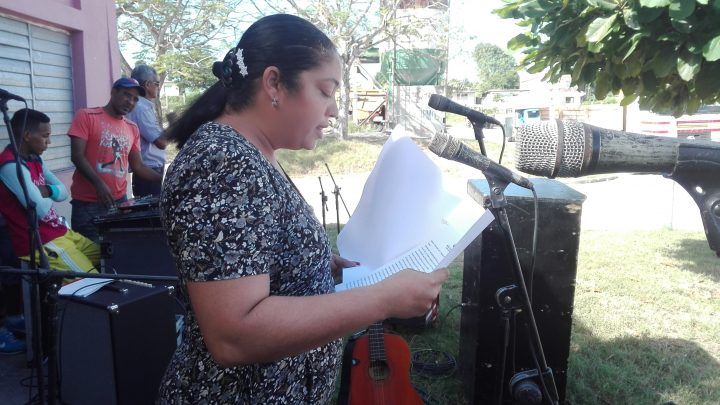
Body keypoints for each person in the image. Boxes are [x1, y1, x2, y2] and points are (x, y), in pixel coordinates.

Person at [156, 14, 448, 404]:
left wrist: (310, 266)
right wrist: (382, 298)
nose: (333, 110)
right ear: (274, 83)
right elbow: (234, 335)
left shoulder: (253, 155)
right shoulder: (222, 161)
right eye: (325, 91)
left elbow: (248, 262)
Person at [68, 78, 163, 243]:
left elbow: (139, 166)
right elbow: (77, 156)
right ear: (113, 92)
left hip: (120, 203)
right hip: (88, 205)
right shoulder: (87, 116)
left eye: (135, 99)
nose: (130, 101)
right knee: (91, 257)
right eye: (127, 95)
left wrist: (166, 179)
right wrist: (98, 184)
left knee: (118, 254)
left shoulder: (132, 128)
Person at [128, 64, 167, 197]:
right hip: (148, 173)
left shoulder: (143, 107)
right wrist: (175, 125)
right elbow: (161, 143)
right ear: (148, 84)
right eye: (157, 83)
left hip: (149, 171)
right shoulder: (141, 109)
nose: (158, 87)